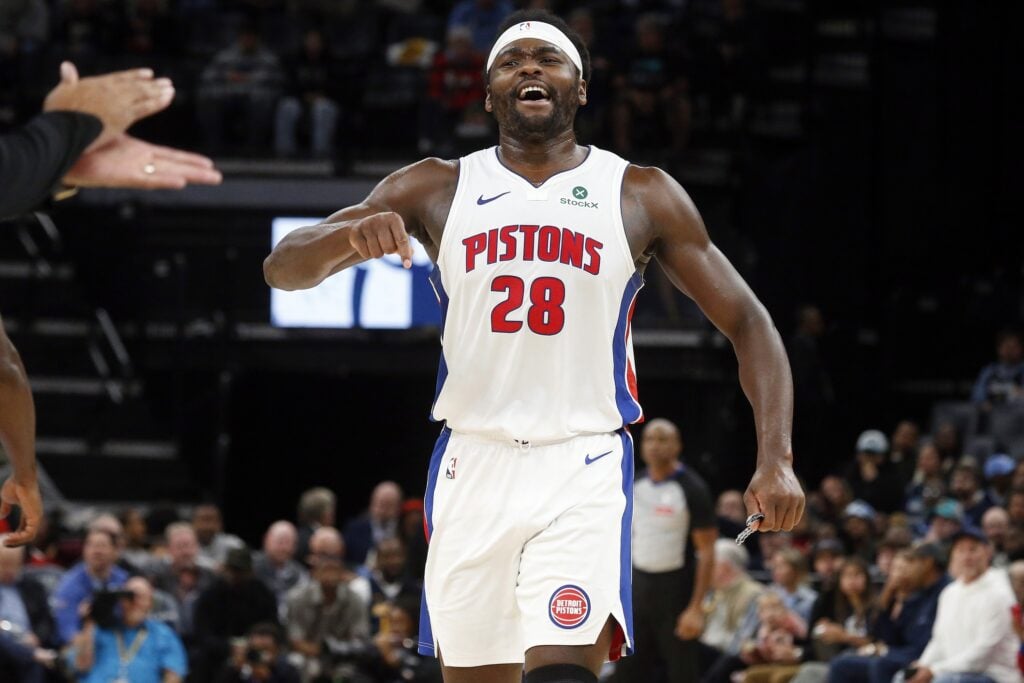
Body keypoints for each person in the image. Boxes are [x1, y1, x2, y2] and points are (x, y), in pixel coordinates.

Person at [263, 10, 804, 682]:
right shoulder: (436, 184)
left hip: (581, 461)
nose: (529, 67)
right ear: (488, 94)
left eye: (547, 59)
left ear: (579, 89)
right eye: (511, 60)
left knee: (560, 673)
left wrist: (775, 457)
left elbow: (750, 322)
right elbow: (284, 267)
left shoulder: (638, 191)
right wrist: (347, 236)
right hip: (473, 461)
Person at [610, 418, 717, 683]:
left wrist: (696, 608)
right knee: (627, 671)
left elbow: (707, 552)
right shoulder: (634, 482)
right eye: (649, 439)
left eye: (662, 439)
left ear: (678, 445)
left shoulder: (693, 488)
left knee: (683, 671)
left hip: (676, 592)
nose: (655, 446)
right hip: (638, 588)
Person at [899, 528, 1018, 683]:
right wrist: (923, 665)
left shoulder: (999, 593)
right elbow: (938, 640)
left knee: (943, 681)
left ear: (988, 552)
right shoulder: (949, 592)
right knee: (901, 678)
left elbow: (983, 653)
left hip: (994, 675)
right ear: (953, 555)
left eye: (973, 550)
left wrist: (934, 670)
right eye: (961, 550)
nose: (967, 557)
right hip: (951, 670)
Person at [68, 575, 188, 683]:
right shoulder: (99, 629)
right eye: (130, 597)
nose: (134, 603)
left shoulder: (163, 635)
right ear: (121, 600)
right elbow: (81, 666)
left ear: (150, 603)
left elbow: (174, 676)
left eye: (140, 597)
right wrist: (89, 621)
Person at [51, 528, 129, 645]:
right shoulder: (69, 584)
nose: (97, 551)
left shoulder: (124, 579)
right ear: (84, 550)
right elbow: (67, 633)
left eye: (102, 546)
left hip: (120, 642)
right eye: (91, 545)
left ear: (115, 551)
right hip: (84, 644)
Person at [0, 545, 57, 683]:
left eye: (13, 565)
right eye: (4, 564)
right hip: (4, 647)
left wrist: (37, 636)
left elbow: (46, 621)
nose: (9, 571)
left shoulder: (33, 587)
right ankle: (31, 655)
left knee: (38, 663)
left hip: (30, 642)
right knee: (30, 659)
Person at [342, 481, 403, 568]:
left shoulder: (404, 528)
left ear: (398, 507)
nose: (383, 510)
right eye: (380, 504)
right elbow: (347, 560)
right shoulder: (355, 529)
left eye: (389, 505)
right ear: (372, 503)